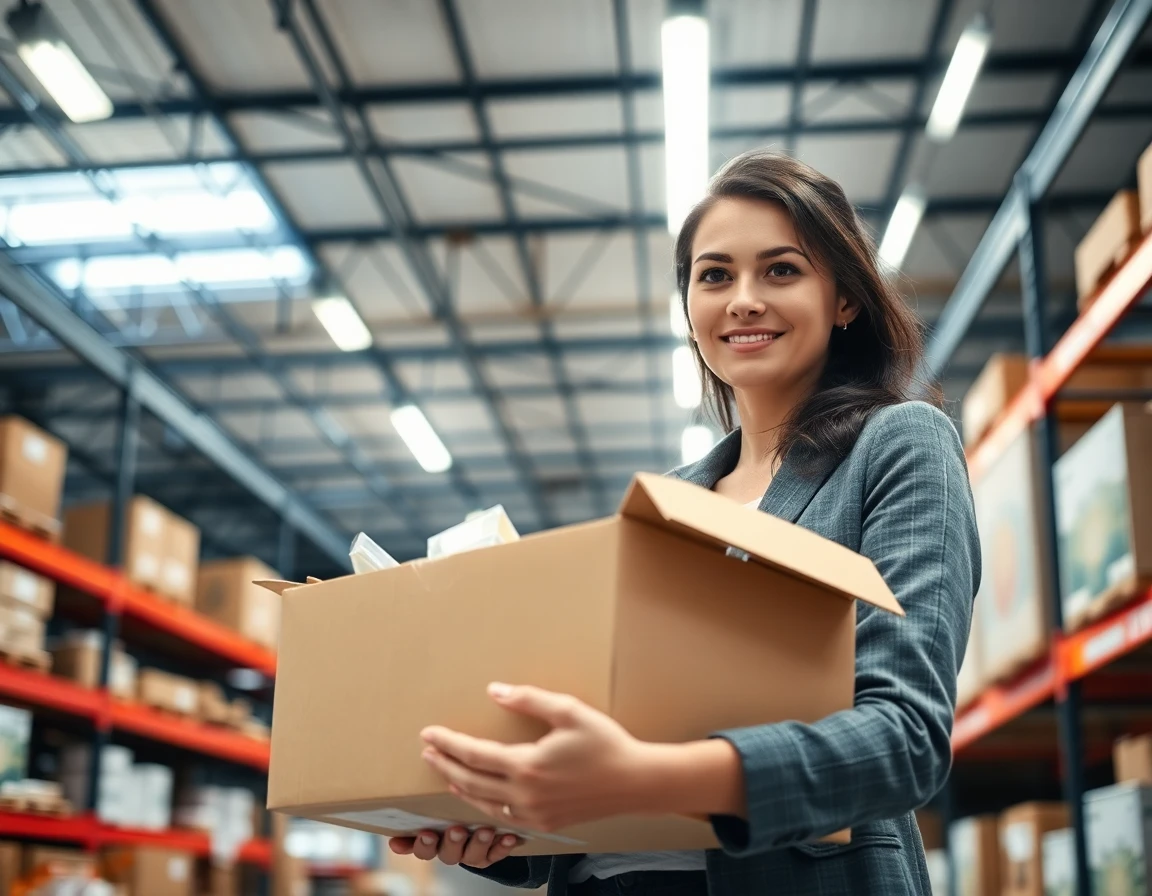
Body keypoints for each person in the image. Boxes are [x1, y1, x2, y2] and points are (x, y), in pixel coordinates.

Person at [387, 149, 980, 895]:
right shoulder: (667, 501)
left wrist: (646, 776)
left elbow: (905, 739)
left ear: (845, 300)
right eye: (715, 275)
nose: (743, 300)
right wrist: (498, 827)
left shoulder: (898, 445)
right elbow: (606, 759)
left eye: (782, 270)